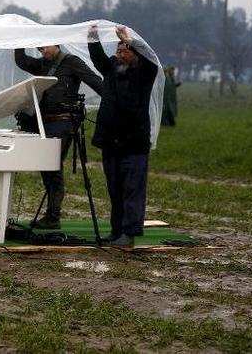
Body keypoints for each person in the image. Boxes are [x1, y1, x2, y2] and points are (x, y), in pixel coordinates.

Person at [14, 44, 103, 229]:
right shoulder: (43, 64)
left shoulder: (71, 62)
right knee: (46, 166)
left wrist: (112, 100)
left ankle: (53, 216)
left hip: (63, 122)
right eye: (39, 50)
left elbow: (96, 82)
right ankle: (51, 215)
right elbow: (21, 61)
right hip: (45, 122)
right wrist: (19, 42)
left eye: (44, 48)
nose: (43, 52)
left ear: (56, 44)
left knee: (52, 165)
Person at [87, 24, 158, 247]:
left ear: (135, 55)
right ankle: (116, 231)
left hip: (133, 144)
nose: (119, 52)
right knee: (115, 189)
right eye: (118, 49)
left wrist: (129, 39)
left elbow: (150, 60)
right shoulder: (112, 69)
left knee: (132, 190)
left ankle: (129, 233)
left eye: (125, 49)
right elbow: (98, 59)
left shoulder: (144, 73)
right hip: (110, 142)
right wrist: (93, 38)